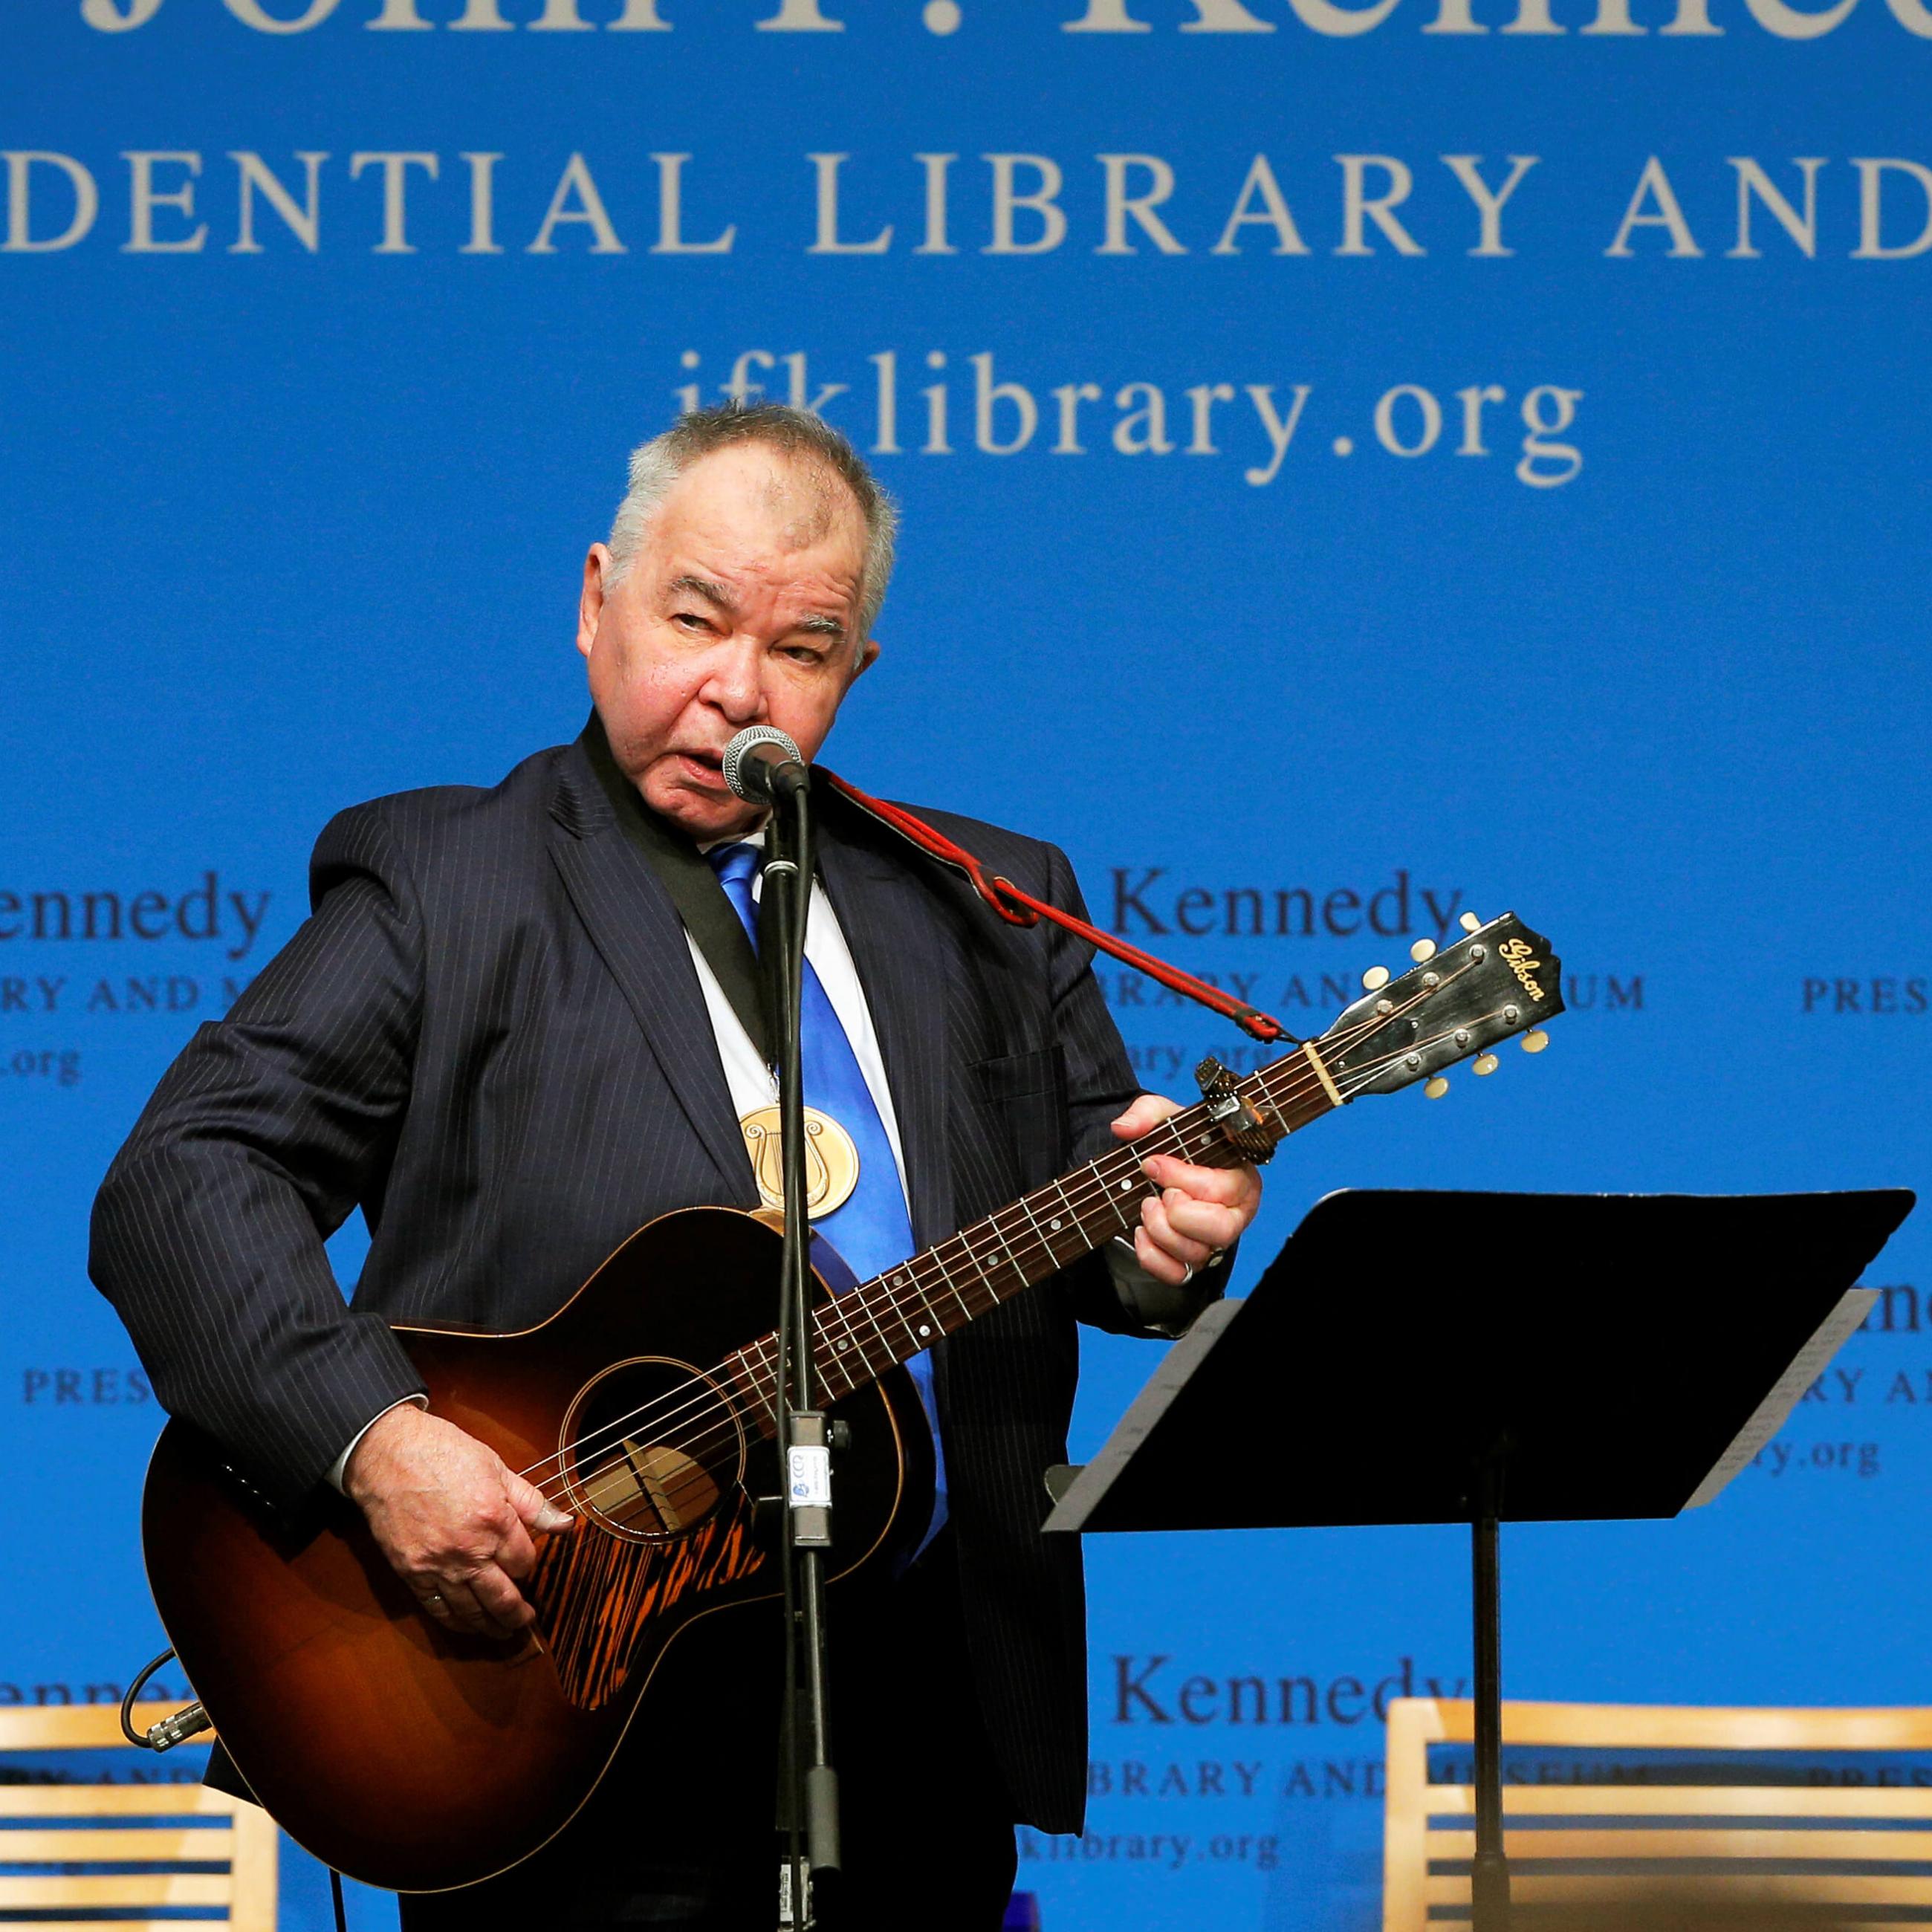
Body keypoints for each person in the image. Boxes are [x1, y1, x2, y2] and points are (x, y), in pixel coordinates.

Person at [91, 403, 1262, 1930]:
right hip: (550, 1704)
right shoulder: (450, 880)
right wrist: (377, 1439)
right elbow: (185, 1173)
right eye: (693, 617)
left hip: (921, 1718)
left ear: (855, 672)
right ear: (598, 601)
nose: (735, 692)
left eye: (802, 646)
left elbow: (1093, 1223)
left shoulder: (993, 898)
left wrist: (1170, 1234)